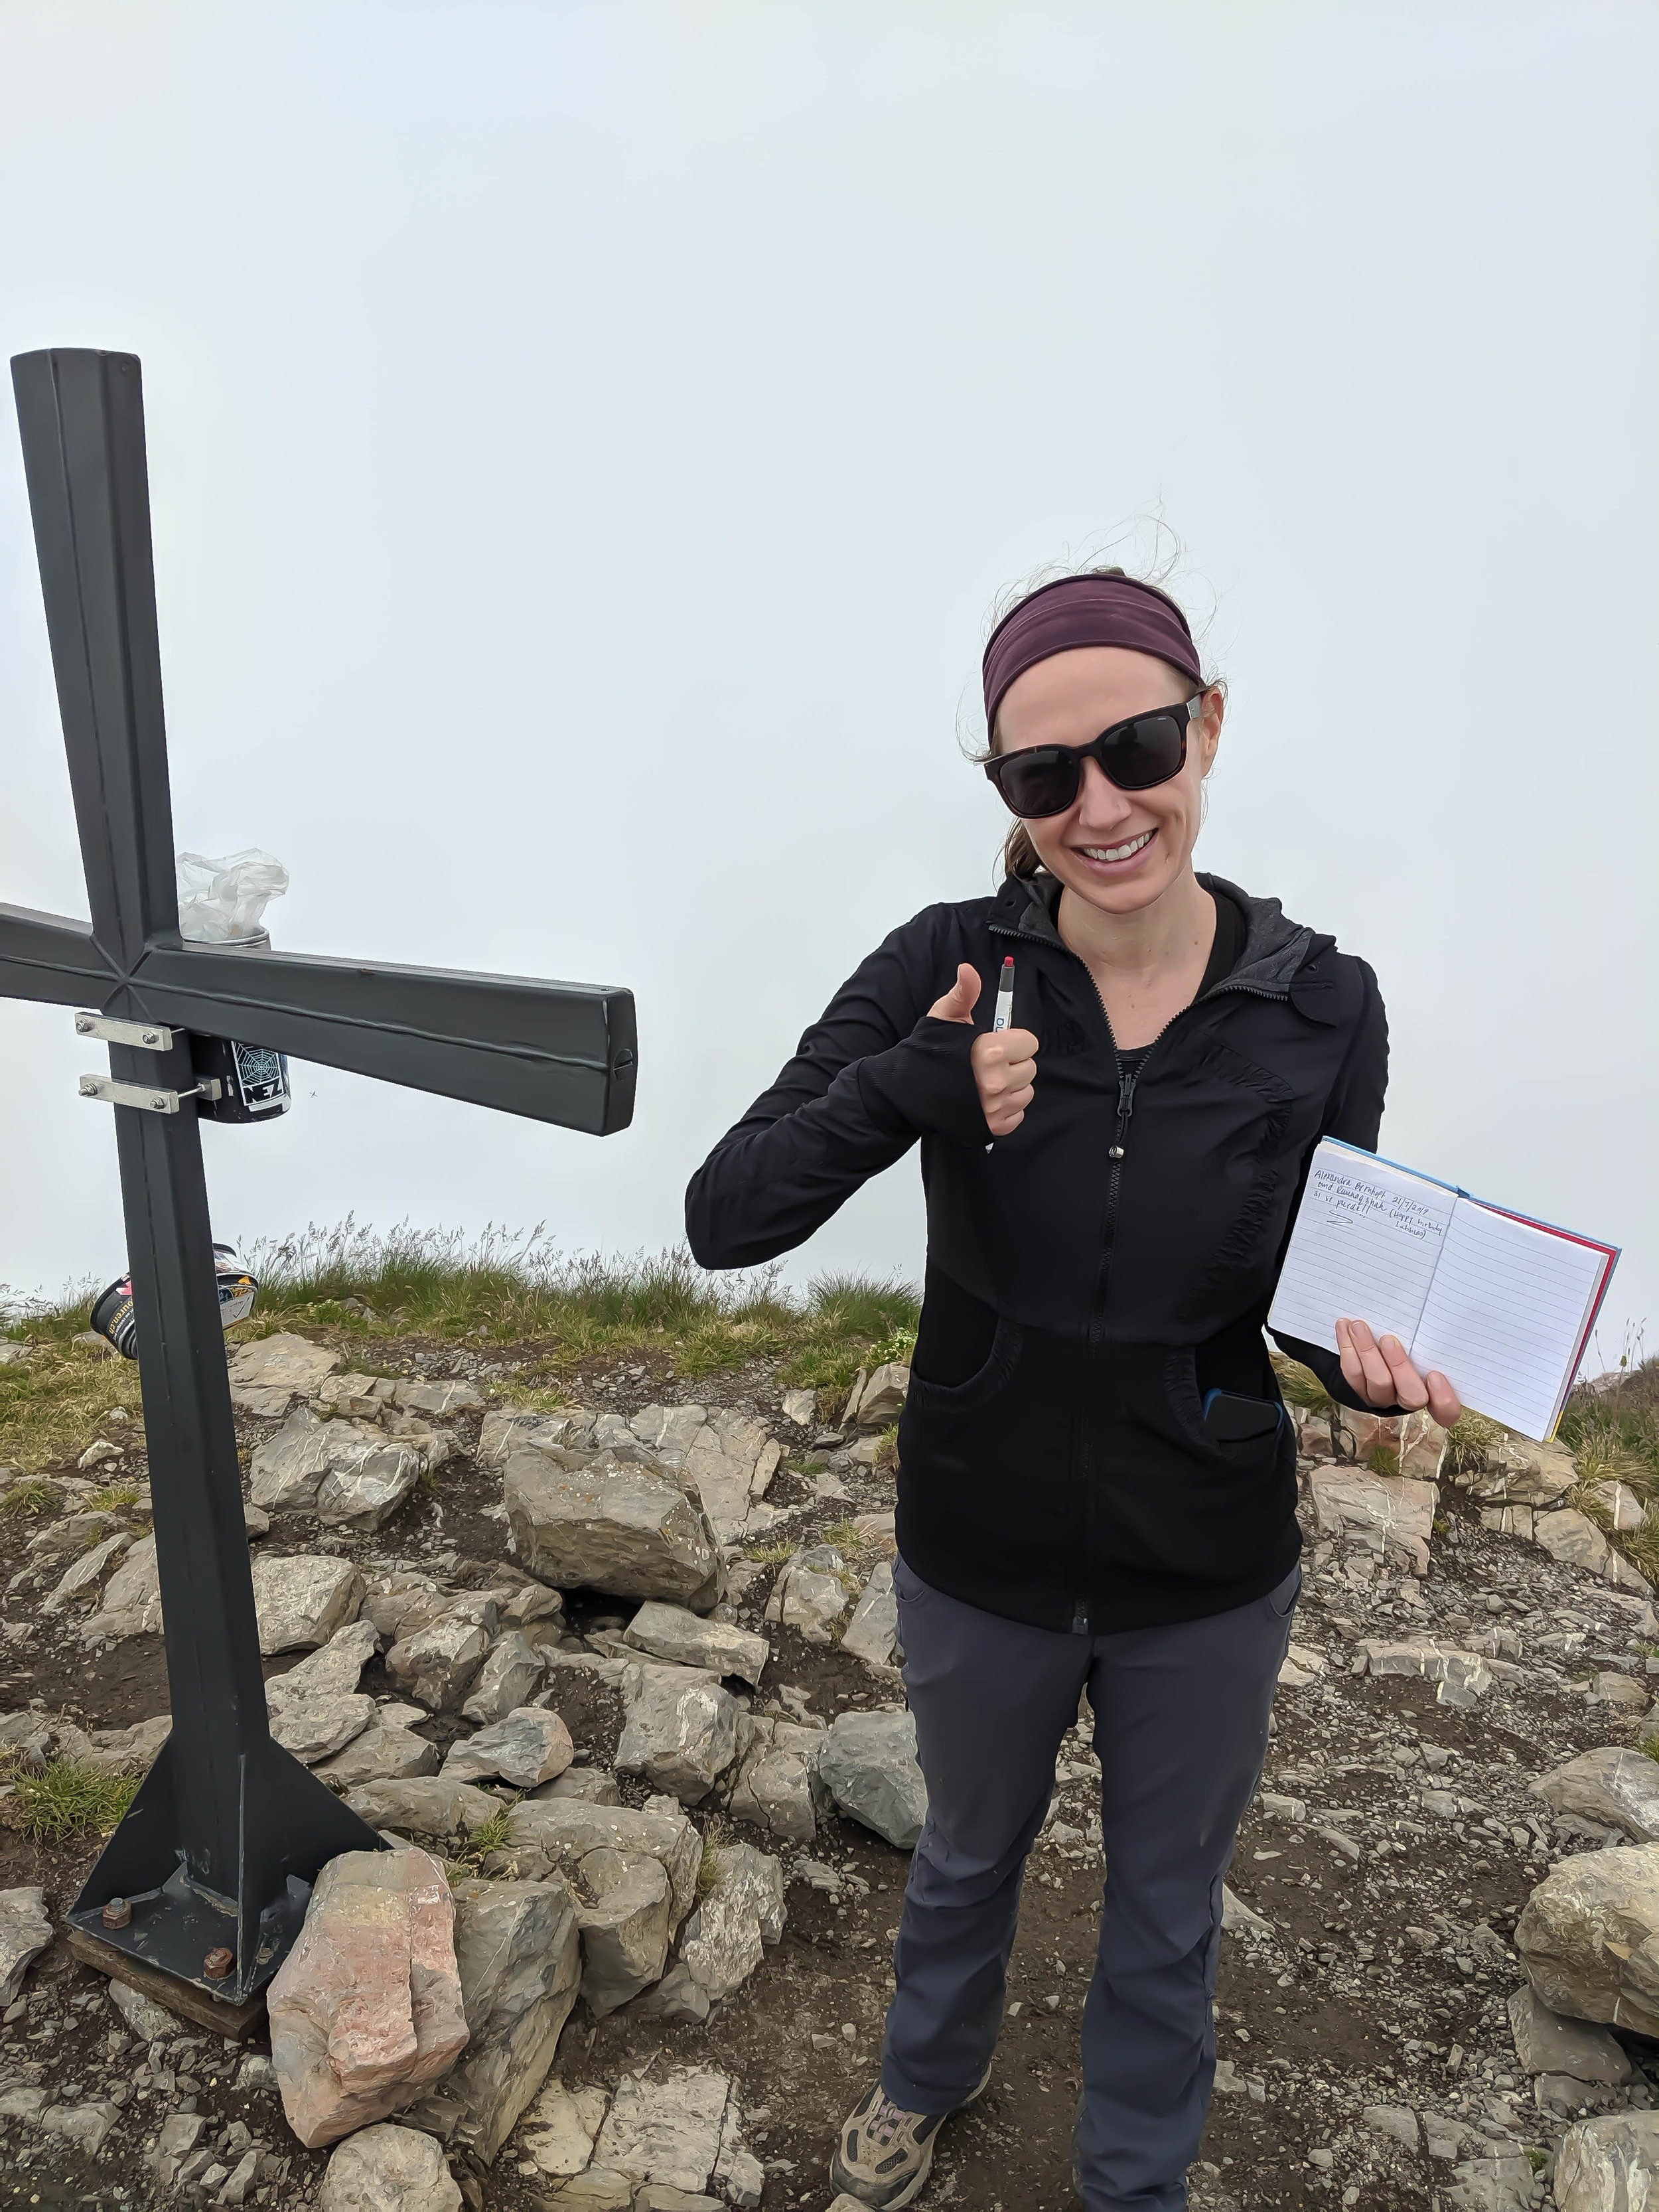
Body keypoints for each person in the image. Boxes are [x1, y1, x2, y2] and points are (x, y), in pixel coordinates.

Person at [684, 567, 1462, 2211]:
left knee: (1167, 1901)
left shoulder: (1322, 1002)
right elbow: (726, 1208)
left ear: (1208, 724)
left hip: (1206, 1556)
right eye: (1043, 775)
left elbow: (1304, 1279)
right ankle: (923, 2080)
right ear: (1005, 793)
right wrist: (919, 1085)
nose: (1099, 805)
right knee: (963, 1851)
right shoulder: (943, 966)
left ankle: (1132, 2183)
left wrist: (1358, 1361)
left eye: (1136, 746)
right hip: (978, 1537)